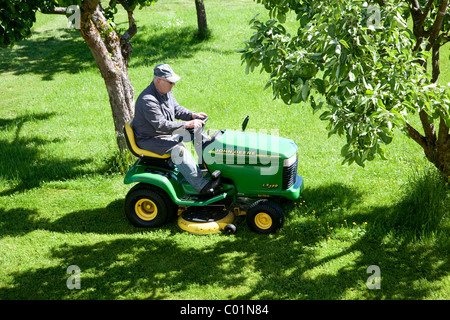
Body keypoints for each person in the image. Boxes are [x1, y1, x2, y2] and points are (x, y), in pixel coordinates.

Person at [133, 64, 221, 194]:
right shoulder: (148, 100)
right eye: (171, 82)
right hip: (150, 139)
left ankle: (205, 168)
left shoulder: (165, 92)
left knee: (201, 135)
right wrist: (187, 124)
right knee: (179, 151)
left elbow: (176, 109)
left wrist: (192, 115)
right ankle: (202, 187)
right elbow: (161, 125)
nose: (173, 84)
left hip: (164, 134)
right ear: (159, 80)